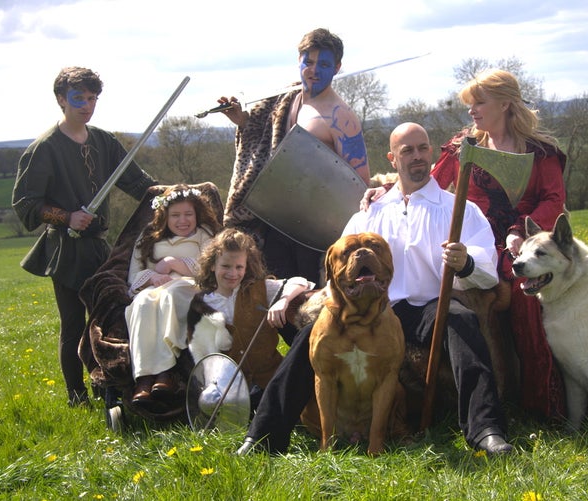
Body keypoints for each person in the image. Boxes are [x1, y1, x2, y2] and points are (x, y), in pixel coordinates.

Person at [237, 122, 512, 455]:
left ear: (433, 152)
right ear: (392, 158)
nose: (417, 157)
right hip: (376, 308)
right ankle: (263, 435)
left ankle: (485, 429)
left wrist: (466, 261)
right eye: (407, 150)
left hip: (430, 306)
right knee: (309, 337)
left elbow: (487, 269)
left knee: (463, 321)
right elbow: (338, 266)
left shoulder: (460, 209)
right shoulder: (370, 212)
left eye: (423, 148)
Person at [12, 67, 157, 407]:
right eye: (79, 97)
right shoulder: (45, 148)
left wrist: (169, 198)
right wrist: (66, 216)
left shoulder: (104, 141)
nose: (87, 105)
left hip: (99, 247)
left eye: (92, 98)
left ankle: (105, 382)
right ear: (61, 100)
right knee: (74, 323)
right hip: (65, 248)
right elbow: (26, 204)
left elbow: (138, 183)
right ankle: (76, 396)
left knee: (108, 319)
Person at [429, 69, 567, 420]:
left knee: (523, 290)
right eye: (469, 104)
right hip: (474, 242)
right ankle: (452, 399)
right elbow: (430, 185)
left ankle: (539, 404)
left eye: (479, 102)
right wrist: (384, 190)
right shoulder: (464, 147)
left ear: (505, 104)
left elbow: (554, 199)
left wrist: (521, 230)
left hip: (521, 243)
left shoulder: (541, 153)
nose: (472, 110)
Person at [218, 27, 370, 285]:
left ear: (337, 67)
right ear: (298, 61)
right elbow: (263, 136)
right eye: (308, 62)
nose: (314, 70)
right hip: (276, 219)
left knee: (303, 298)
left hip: (314, 228)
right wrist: (242, 120)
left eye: (323, 64)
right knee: (271, 291)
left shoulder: (340, 117)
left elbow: (358, 185)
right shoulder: (286, 98)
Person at [187, 228, 314, 411]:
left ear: (246, 267)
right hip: (231, 387)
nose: (233, 273)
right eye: (226, 266)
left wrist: (283, 301)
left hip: (272, 378)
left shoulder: (259, 290)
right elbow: (202, 355)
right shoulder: (202, 305)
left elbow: (301, 282)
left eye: (239, 267)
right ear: (213, 264)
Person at [126, 185, 221, 411]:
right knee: (142, 302)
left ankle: (164, 371)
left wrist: (173, 264)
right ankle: (144, 379)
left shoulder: (204, 234)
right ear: (165, 216)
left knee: (172, 293)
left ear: (197, 214)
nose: (183, 220)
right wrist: (152, 276)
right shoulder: (149, 237)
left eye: (188, 214)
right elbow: (133, 274)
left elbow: (212, 268)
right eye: (175, 215)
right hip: (155, 288)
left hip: (191, 286)